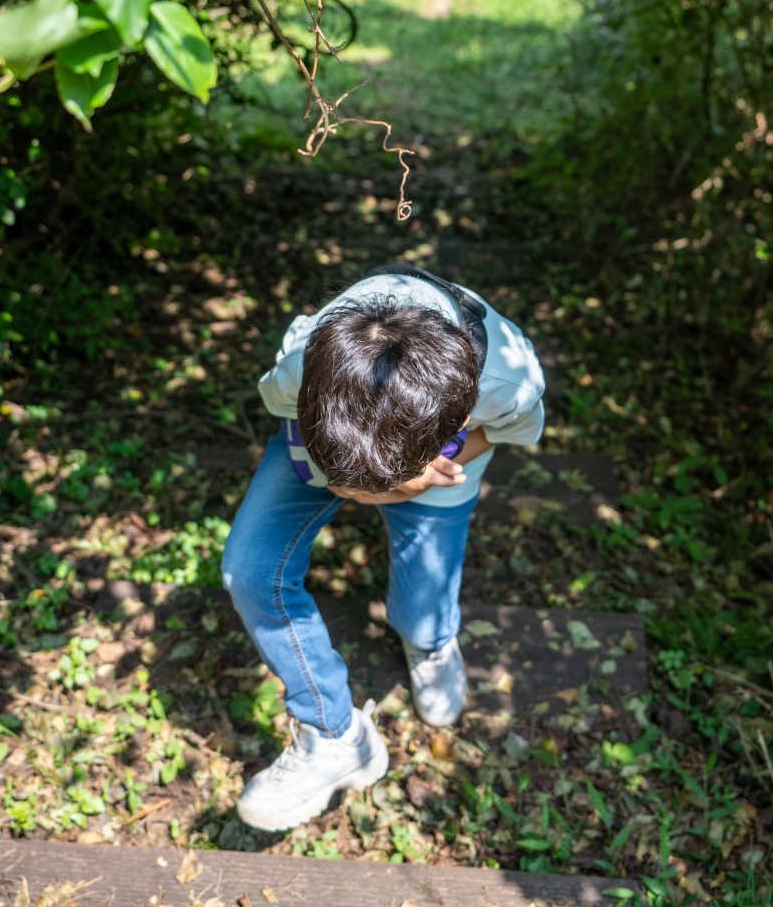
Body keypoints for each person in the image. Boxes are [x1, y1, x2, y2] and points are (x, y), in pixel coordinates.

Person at [222, 264, 545, 831]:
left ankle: (431, 641)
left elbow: (510, 429)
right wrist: (344, 479)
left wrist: (425, 474)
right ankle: (332, 736)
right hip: (325, 452)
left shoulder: (509, 380)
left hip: (434, 470)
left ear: (461, 411)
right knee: (249, 570)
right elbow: (282, 411)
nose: (370, 497)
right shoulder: (302, 361)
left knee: (422, 612)